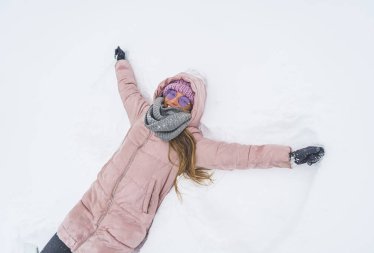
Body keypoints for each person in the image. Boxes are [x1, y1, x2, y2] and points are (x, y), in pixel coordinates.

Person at [40, 46, 325, 253]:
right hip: (84, 212)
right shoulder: (143, 115)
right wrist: (121, 63)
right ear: (163, 94)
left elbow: (241, 155)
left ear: (192, 108)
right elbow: (128, 90)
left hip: (119, 236)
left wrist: (288, 156)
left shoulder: (190, 143)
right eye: (171, 93)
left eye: (184, 99)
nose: (174, 100)